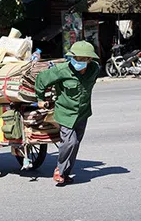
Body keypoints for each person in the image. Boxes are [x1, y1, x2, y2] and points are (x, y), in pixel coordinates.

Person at [35, 40, 100, 185]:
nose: (77, 61)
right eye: (75, 58)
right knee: (69, 142)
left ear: (89, 60)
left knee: (76, 143)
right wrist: (40, 98)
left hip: (83, 112)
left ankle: (65, 174)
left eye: (82, 59)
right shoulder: (62, 70)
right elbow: (41, 80)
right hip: (65, 112)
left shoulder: (94, 69)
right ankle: (59, 169)